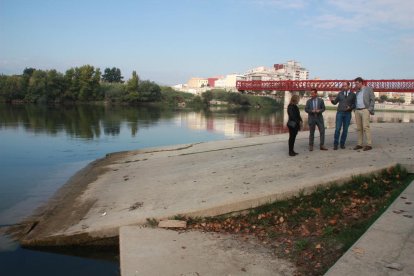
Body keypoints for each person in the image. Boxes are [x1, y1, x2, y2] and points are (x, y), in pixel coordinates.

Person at [329, 82, 356, 150]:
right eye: (343, 86)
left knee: (345, 130)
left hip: (348, 114)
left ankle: (342, 144)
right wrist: (332, 100)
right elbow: (335, 102)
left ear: (349, 86)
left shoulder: (353, 95)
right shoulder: (340, 93)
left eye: (345, 86)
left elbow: (354, 104)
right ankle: (335, 144)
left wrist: (350, 108)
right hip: (340, 113)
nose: (344, 87)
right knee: (337, 129)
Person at [353, 77, 375, 151]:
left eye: (357, 83)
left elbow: (372, 99)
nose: (356, 85)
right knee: (359, 128)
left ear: (361, 83)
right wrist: (355, 109)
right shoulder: (357, 91)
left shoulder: (368, 89)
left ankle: (369, 145)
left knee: (366, 127)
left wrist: (369, 109)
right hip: (357, 111)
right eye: (355, 83)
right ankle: (359, 144)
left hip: (365, 110)